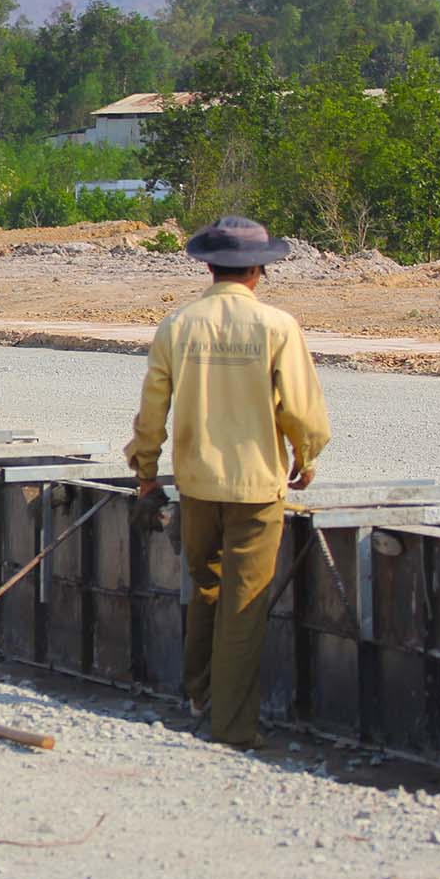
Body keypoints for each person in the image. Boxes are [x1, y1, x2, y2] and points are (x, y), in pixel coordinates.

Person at [124, 216, 330, 749]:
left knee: (206, 585)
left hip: (196, 483)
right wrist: (306, 458)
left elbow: (152, 414)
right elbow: (303, 413)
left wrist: (146, 473)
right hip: (256, 488)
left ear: (209, 266)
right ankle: (233, 727)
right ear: (258, 271)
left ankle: (198, 690)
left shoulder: (178, 325)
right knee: (245, 601)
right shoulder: (277, 326)